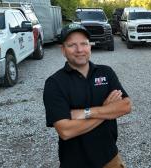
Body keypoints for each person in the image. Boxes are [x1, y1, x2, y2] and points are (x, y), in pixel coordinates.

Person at [43, 23, 132, 168]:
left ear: (90, 46)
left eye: (84, 43)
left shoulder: (106, 73)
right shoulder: (55, 83)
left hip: (110, 158)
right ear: (63, 50)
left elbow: (126, 105)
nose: (79, 50)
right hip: (75, 163)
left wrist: (87, 112)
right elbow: (65, 130)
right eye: (72, 45)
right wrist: (108, 110)